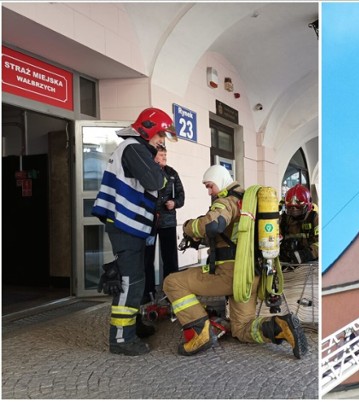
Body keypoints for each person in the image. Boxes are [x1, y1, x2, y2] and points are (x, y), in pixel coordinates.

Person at [162, 165, 308, 358]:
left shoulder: (227, 201)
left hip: (231, 275)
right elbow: (231, 234)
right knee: (242, 328)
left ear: (219, 180)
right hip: (252, 275)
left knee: (172, 282)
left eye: (209, 186)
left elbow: (213, 224)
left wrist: (189, 228)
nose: (209, 191)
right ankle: (281, 325)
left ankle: (200, 332)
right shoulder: (249, 203)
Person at [91, 107, 178, 356]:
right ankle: (121, 339)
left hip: (131, 226)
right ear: (148, 128)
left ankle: (134, 325)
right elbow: (156, 182)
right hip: (124, 225)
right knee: (130, 282)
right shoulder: (133, 148)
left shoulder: (136, 149)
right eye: (161, 134)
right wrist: (161, 178)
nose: (162, 140)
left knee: (135, 279)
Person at [142, 146, 185, 304]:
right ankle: (148, 292)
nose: (164, 157)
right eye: (161, 154)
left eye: (165, 154)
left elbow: (181, 196)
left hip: (168, 222)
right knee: (147, 258)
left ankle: (170, 291)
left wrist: (174, 203)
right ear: (154, 157)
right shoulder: (146, 173)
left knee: (170, 258)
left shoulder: (172, 173)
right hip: (149, 222)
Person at [278, 184, 319, 264]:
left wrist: (306, 254)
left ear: (308, 206)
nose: (294, 211)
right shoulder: (284, 218)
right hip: (288, 262)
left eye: (298, 207)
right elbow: (273, 235)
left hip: (309, 263)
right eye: (290, 207)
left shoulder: (314, 218)